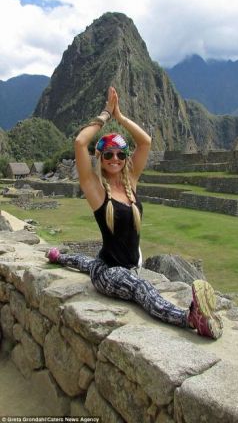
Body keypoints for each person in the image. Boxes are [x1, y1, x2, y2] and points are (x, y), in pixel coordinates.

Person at [46, 87, 222, 339]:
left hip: (122, 264)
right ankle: (190, 318)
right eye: (108, 154)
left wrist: (121, 116)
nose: (114, 159)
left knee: (84, 262)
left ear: (126, 157)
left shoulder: (131, 182)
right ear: (101, 157)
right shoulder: (95, 189)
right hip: (110, 273)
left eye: (120, 154)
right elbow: (80, 142)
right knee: (140, 288)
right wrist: (106, 114)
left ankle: (59, 257)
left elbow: (146, 142)